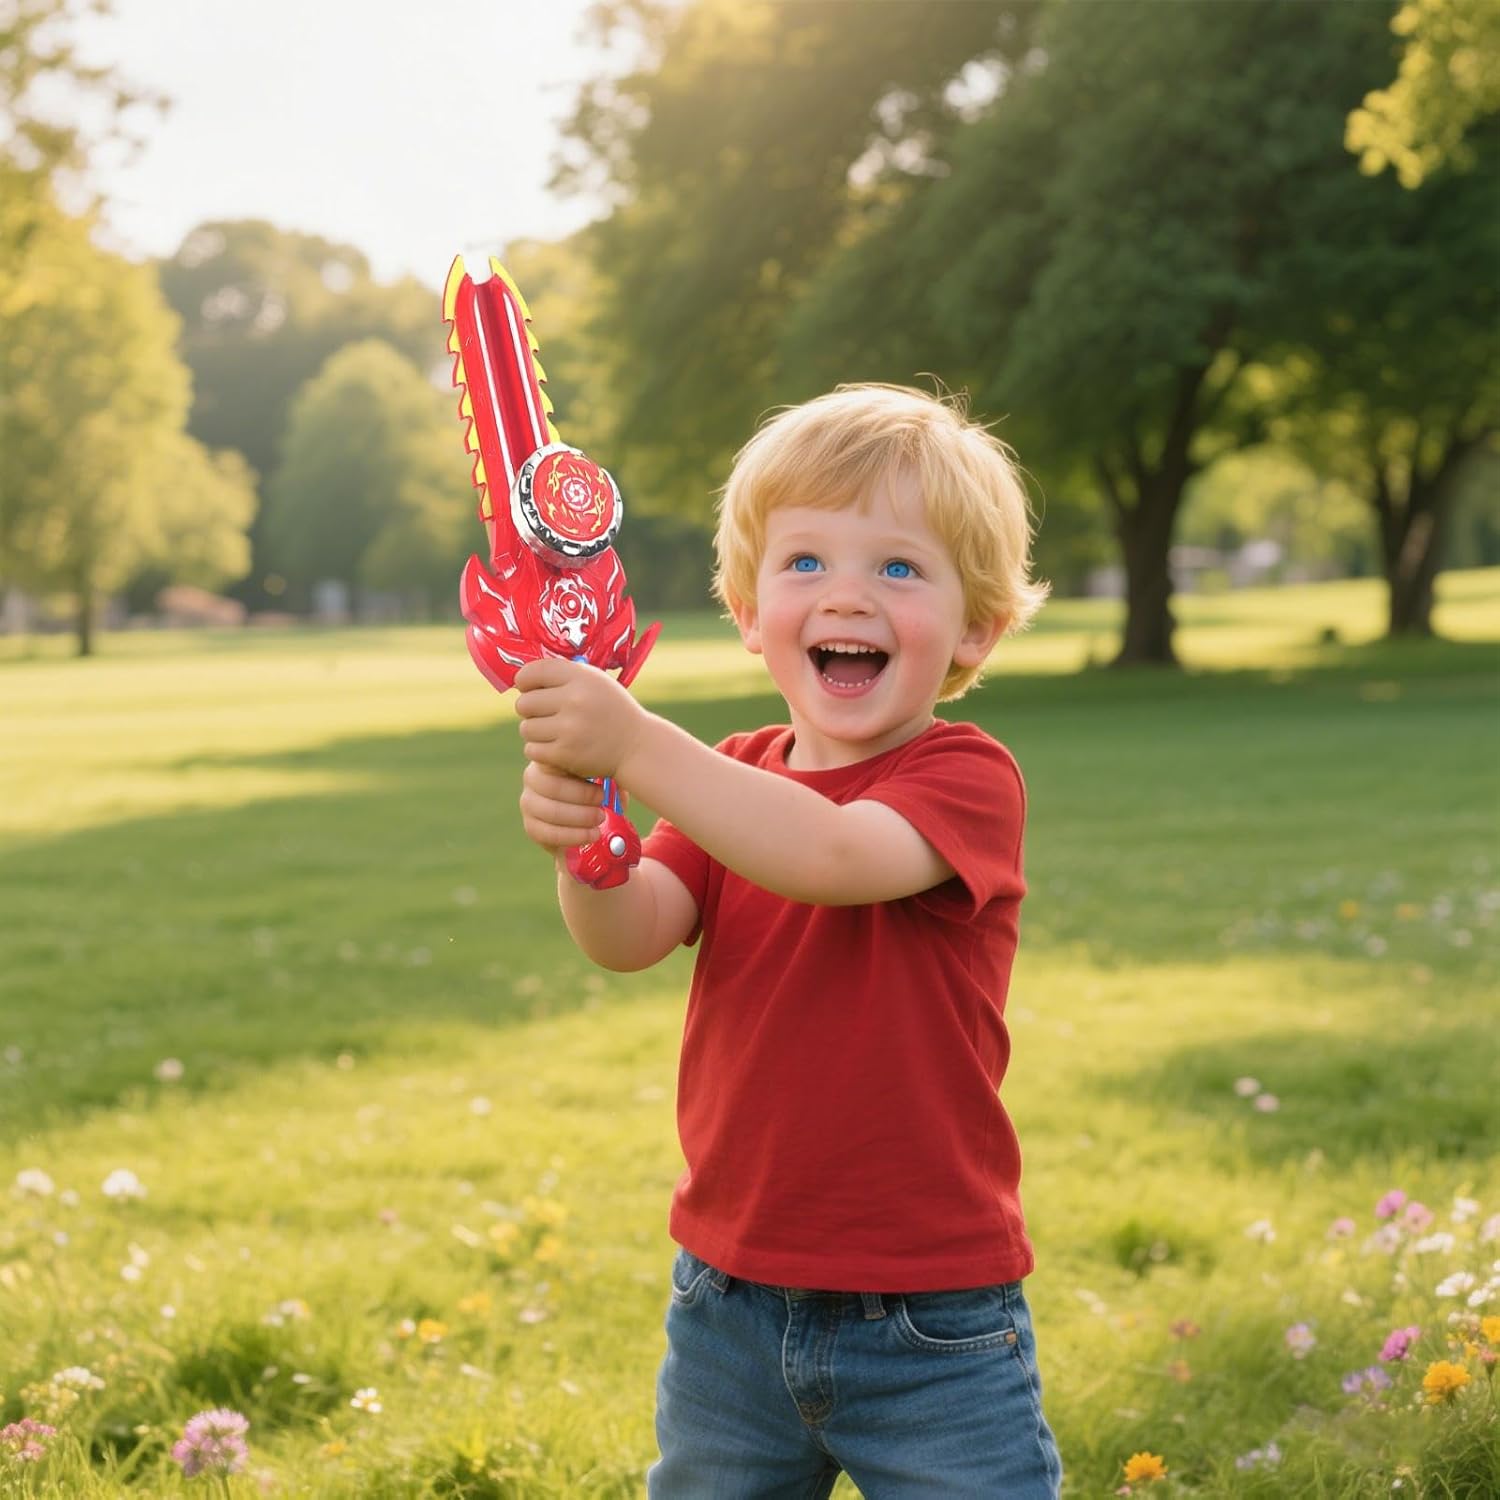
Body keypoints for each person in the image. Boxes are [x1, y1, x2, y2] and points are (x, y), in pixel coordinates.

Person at [513, 383, 1062, 1497]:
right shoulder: (736, 777)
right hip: (728, 1302)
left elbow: (833, 857)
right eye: (803, 563)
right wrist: (589, 845)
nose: (845, 595)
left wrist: (640, 746)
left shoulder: (962, 777)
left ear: (975, 628)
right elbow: (631, 934)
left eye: (898, 569)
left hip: (929, 1320)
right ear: (748, 607)